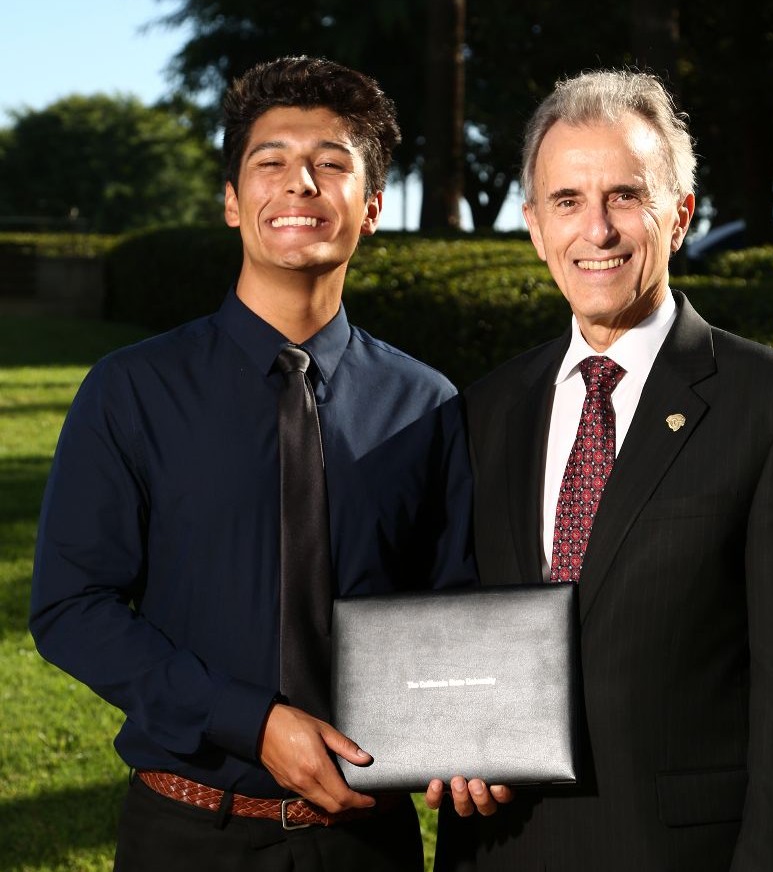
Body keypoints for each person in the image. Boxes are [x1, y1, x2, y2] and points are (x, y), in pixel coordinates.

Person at [29, 55, 475, 872]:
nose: (299, 183)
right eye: (269, 162)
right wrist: (252, 721)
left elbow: (453, 613)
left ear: (371, 208)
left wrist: (477, 737)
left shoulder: (429, 404)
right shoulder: (132, 390)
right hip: (187, 832)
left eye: (331, 164)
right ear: (233, 203)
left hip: (365, 842)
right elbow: (71, 607)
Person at [428, 69, 773, 871]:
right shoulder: (483, 411)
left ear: (679, 216)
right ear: (531, 225)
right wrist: (449, 733)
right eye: (566, 202)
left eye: (624, 196)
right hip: (496, 850)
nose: (596, 230)